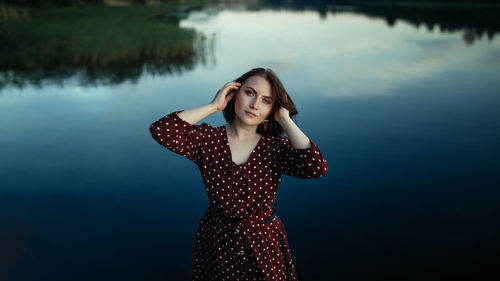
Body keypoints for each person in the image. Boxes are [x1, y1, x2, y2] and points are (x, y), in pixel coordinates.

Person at [149, 68, 328, 280]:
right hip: (216, 240)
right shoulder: (209, 140)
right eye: (250, 93)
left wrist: (285, 119)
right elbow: (162, 130)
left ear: (273, 109)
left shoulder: (275, 147)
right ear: (234, 94)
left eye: (266, 100)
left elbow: (315, 168)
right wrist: (214, 106)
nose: (255, 105)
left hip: (262, 241)